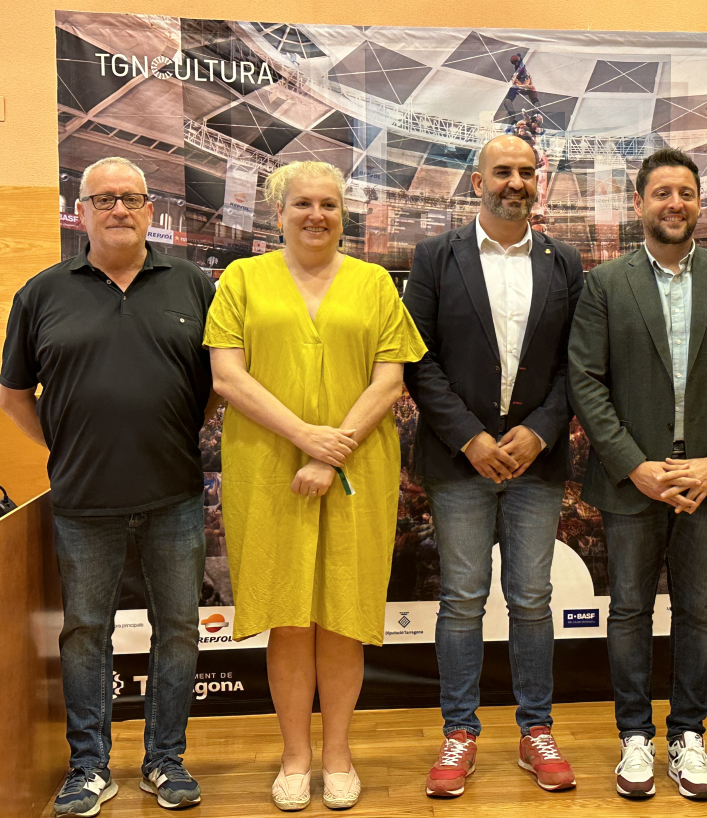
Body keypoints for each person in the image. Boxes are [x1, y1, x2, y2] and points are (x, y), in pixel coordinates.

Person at [203, 160, 426, 811]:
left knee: (341, 619)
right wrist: (307, 438)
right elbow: (227, 379)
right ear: (280, 214)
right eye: (303, 203)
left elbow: (389, 381)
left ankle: (339, 755)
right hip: (267, 469)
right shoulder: (242, 279)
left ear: (343, 215)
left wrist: (332, 452)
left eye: (329, 204)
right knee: (290, 621)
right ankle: (295, 757)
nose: (316, 215)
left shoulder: (374, 282)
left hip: (358, 467)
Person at [1, 156, 217, 814]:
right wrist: (65, 447)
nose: (118, 208)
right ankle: (89, 766)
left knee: (178, 628)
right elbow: (13, 395)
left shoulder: (192, 285)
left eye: (131, 198)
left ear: (152, 210)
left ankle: (165, 761)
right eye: (104, 199)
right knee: (85, 632)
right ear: (82, 212)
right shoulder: (41, 293)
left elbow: (214, 392)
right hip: (82, 502)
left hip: (174, 496)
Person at [568, 147, 707, 800]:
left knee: (698, 612)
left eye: (686, 192)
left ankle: (688, 735)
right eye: (662, 192)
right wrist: (635, 465)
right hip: (636, 483)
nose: (675, 203)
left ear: (699, 203)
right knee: (628, 610)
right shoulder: (605, 284)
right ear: (639, 203)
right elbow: (586, 380)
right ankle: (635, 737)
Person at [403, 134, 583, 798]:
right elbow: (417, 358)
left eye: (527, 172)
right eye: (502, 171)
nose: (516, 181)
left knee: (533, 601)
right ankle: (460, 733)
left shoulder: (564, 261)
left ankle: (536, 731)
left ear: (539, 184)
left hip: (536, 462)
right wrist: (472, 439)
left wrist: (539, 431)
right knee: (462, 601)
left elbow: (577, 363)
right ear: (475, 183)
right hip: (461, 463)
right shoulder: (434, 257)